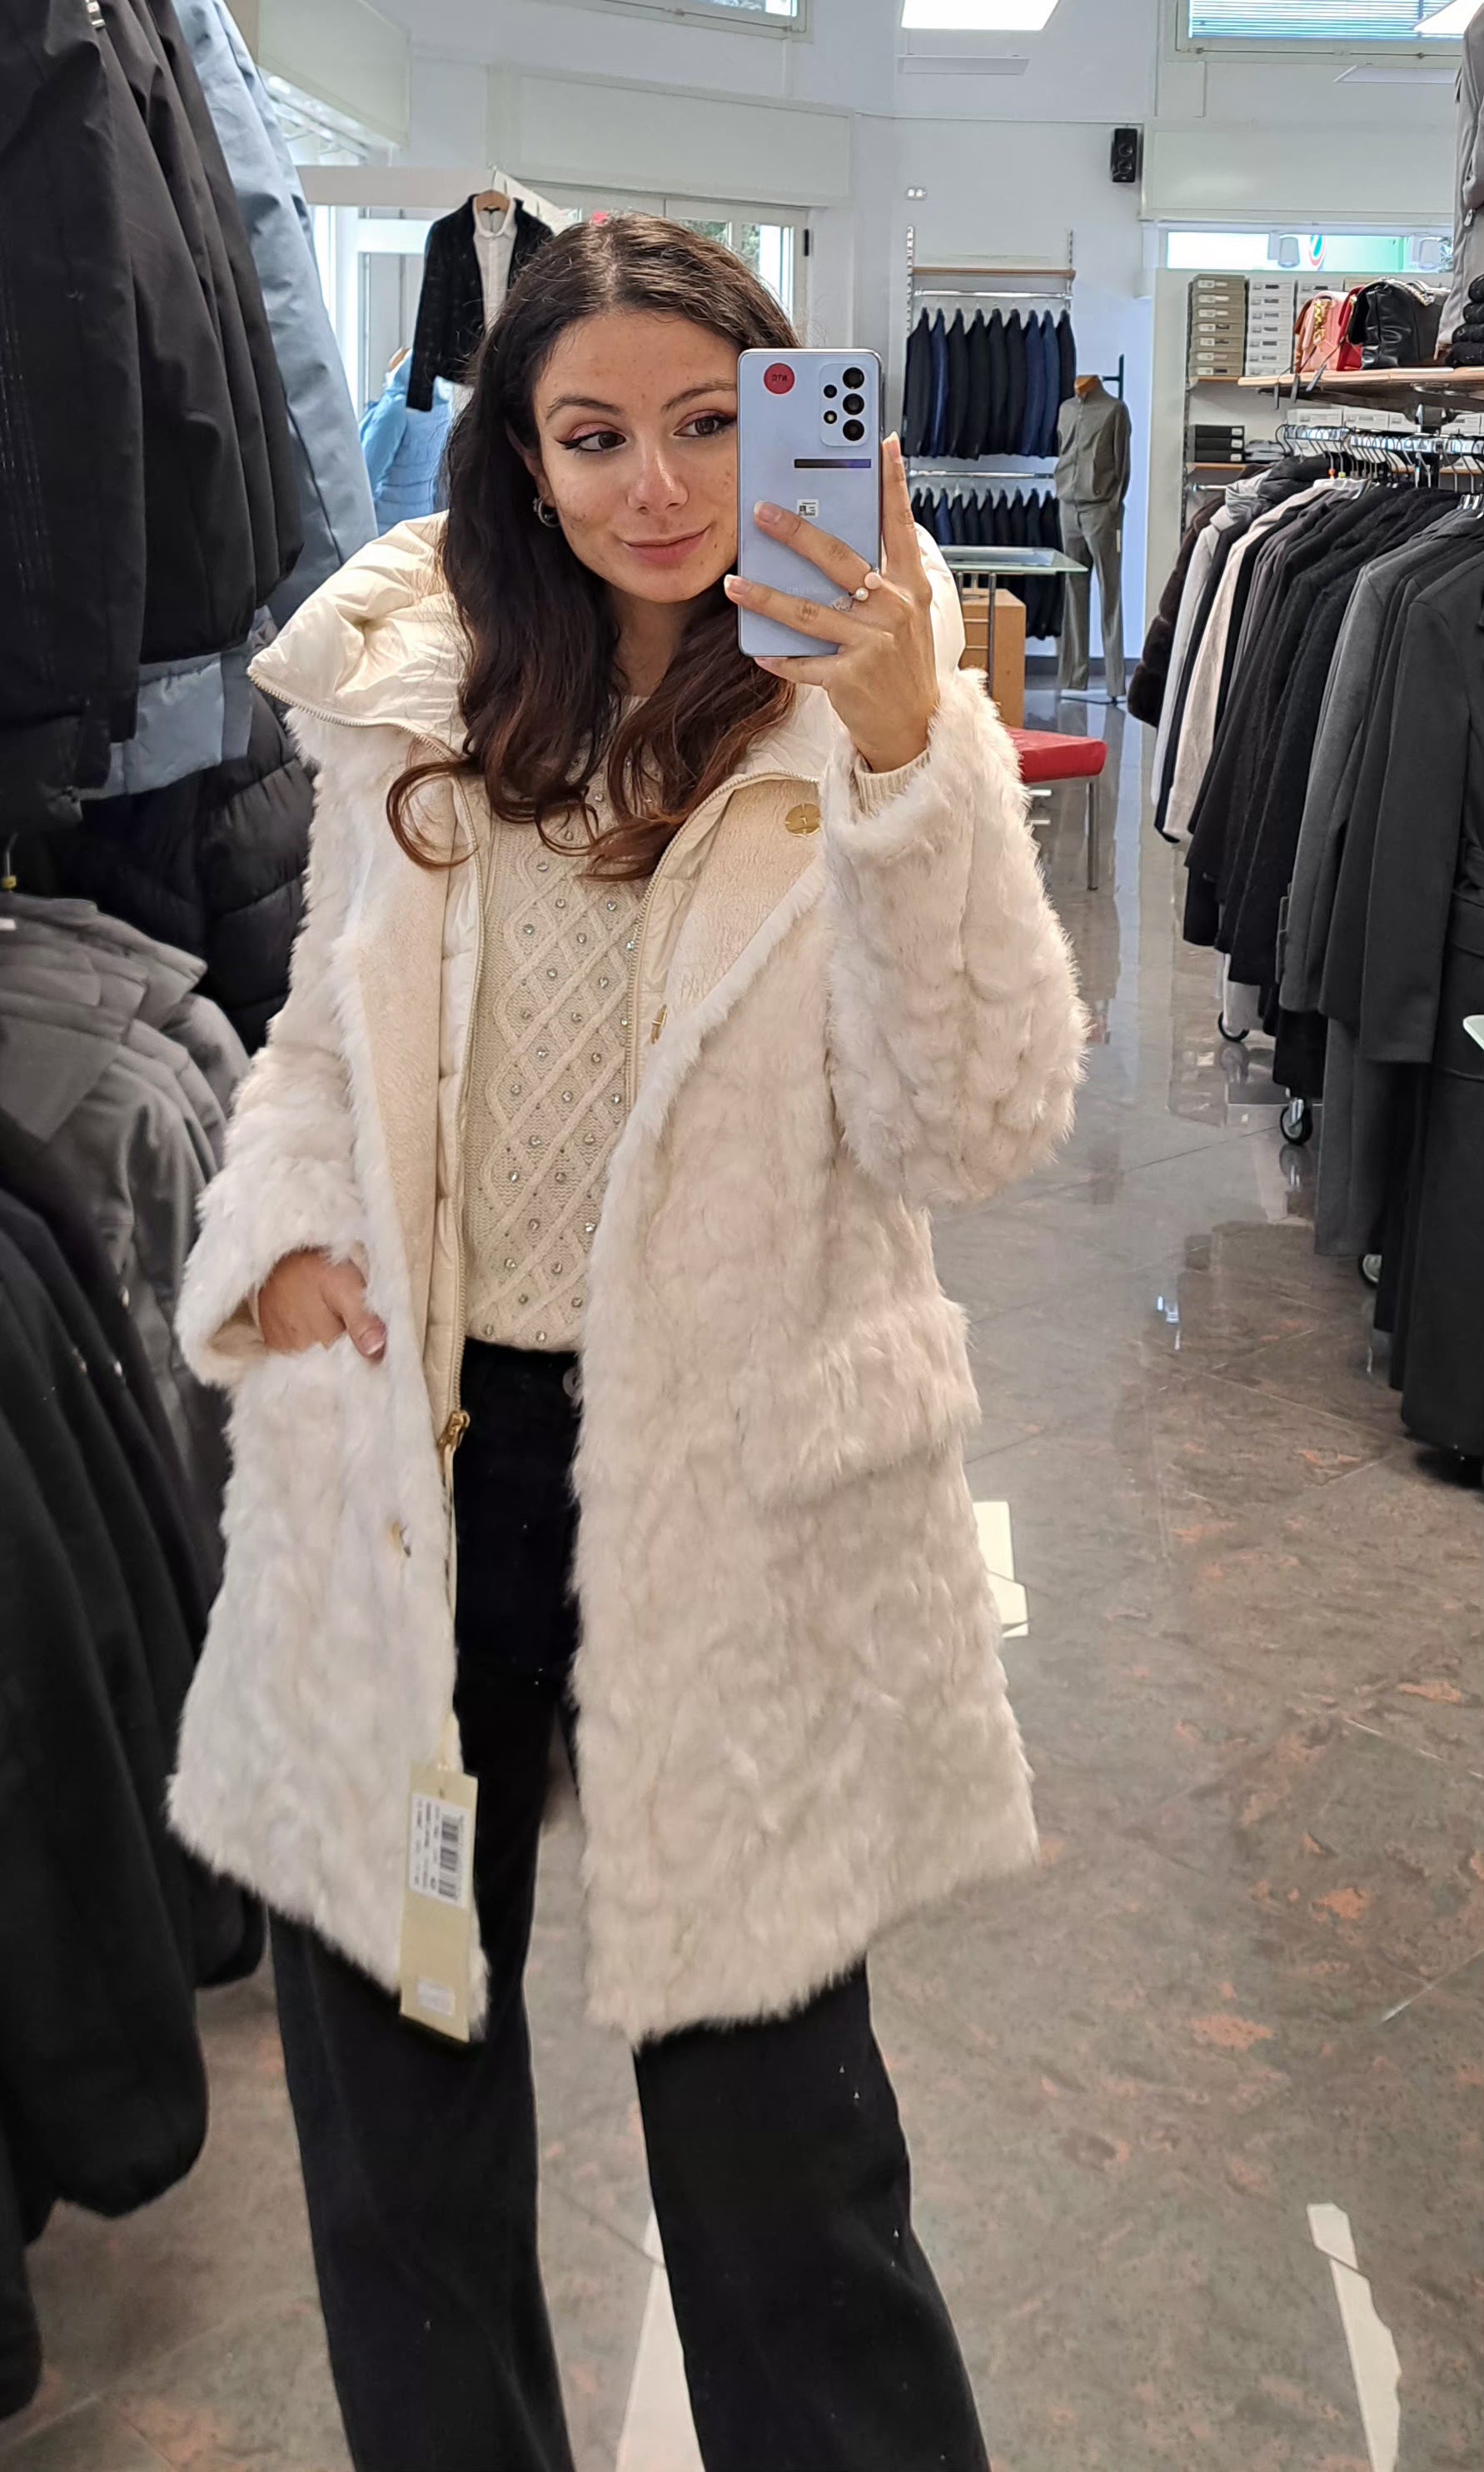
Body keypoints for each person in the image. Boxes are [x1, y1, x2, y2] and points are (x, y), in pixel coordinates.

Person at [170, 216, 1086, 2472]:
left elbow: (972, 1120)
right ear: (521, 454)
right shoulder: (409, 688)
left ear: (789, 423)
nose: (656, 485)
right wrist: (278, 1245)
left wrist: (910, 753)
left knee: (787, 2180)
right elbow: (319, 1048)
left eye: (705, 423)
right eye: (593, 437)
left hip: (729, 1478)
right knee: (397, 2159)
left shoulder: (855, 713)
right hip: (416, 1460)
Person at [358, 342, 452, 531]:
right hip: (422, 522)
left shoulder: (395, 409)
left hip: (386, 526)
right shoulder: (442, 409)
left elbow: (366, 475)